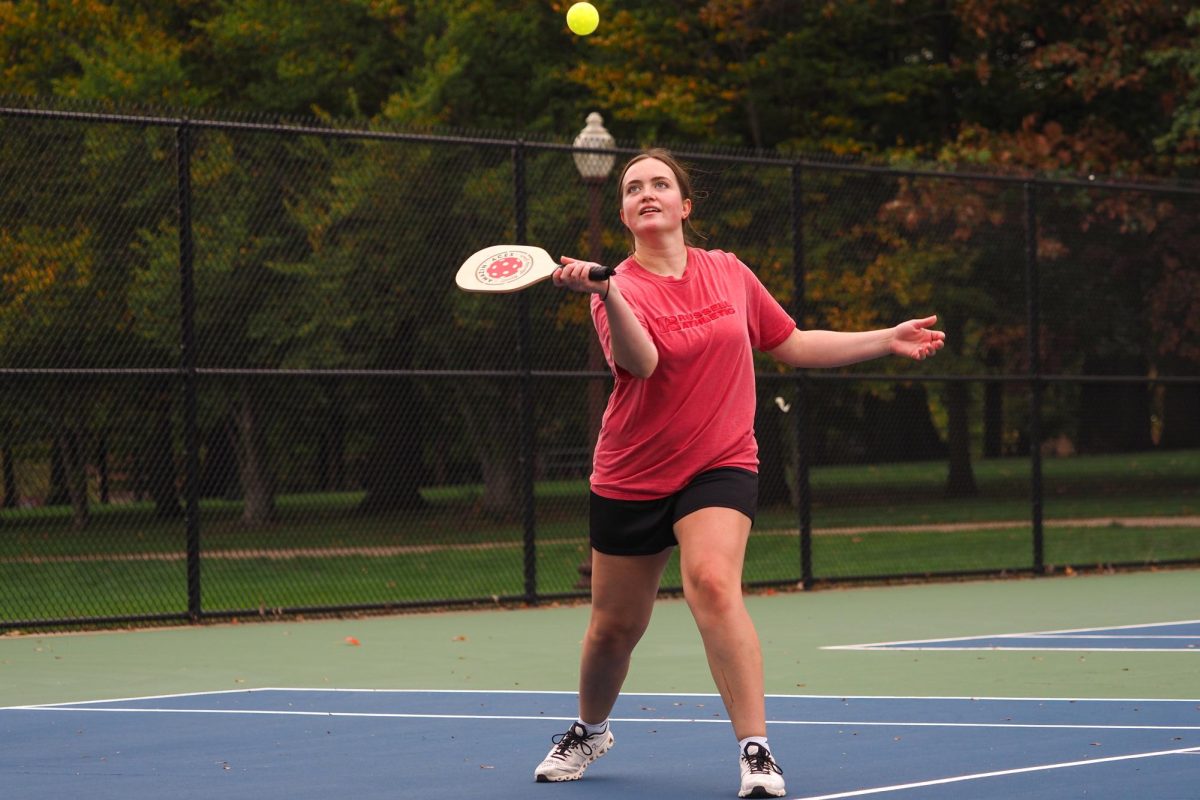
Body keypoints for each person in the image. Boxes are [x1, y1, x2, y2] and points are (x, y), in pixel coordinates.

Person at [534, 149, 945, 798]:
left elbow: (792, 343)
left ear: (684, 205)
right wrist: (608, 292)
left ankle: (756, 752)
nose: (647, 192)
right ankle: (590, 729)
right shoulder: (615, 287)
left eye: (660, 183)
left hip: (718, 462)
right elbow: (640, 365)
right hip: (631, 474)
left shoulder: (727, 272)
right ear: (623, 212)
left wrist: (882, 338)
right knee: (614, 628)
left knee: (712, 582)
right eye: (633, 186)